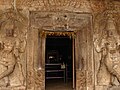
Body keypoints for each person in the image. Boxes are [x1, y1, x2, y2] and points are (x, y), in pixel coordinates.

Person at [94, 17, 120, 86]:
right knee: (109, 70)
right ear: (106, 32)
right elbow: (98, 49)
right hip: (107, 56)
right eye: (109, 31)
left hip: (116, 57)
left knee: (117, 70)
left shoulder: (116, 39)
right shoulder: (104, 40)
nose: (111, 33)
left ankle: (116, 80)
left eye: (112, 31)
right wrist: (96, 41)